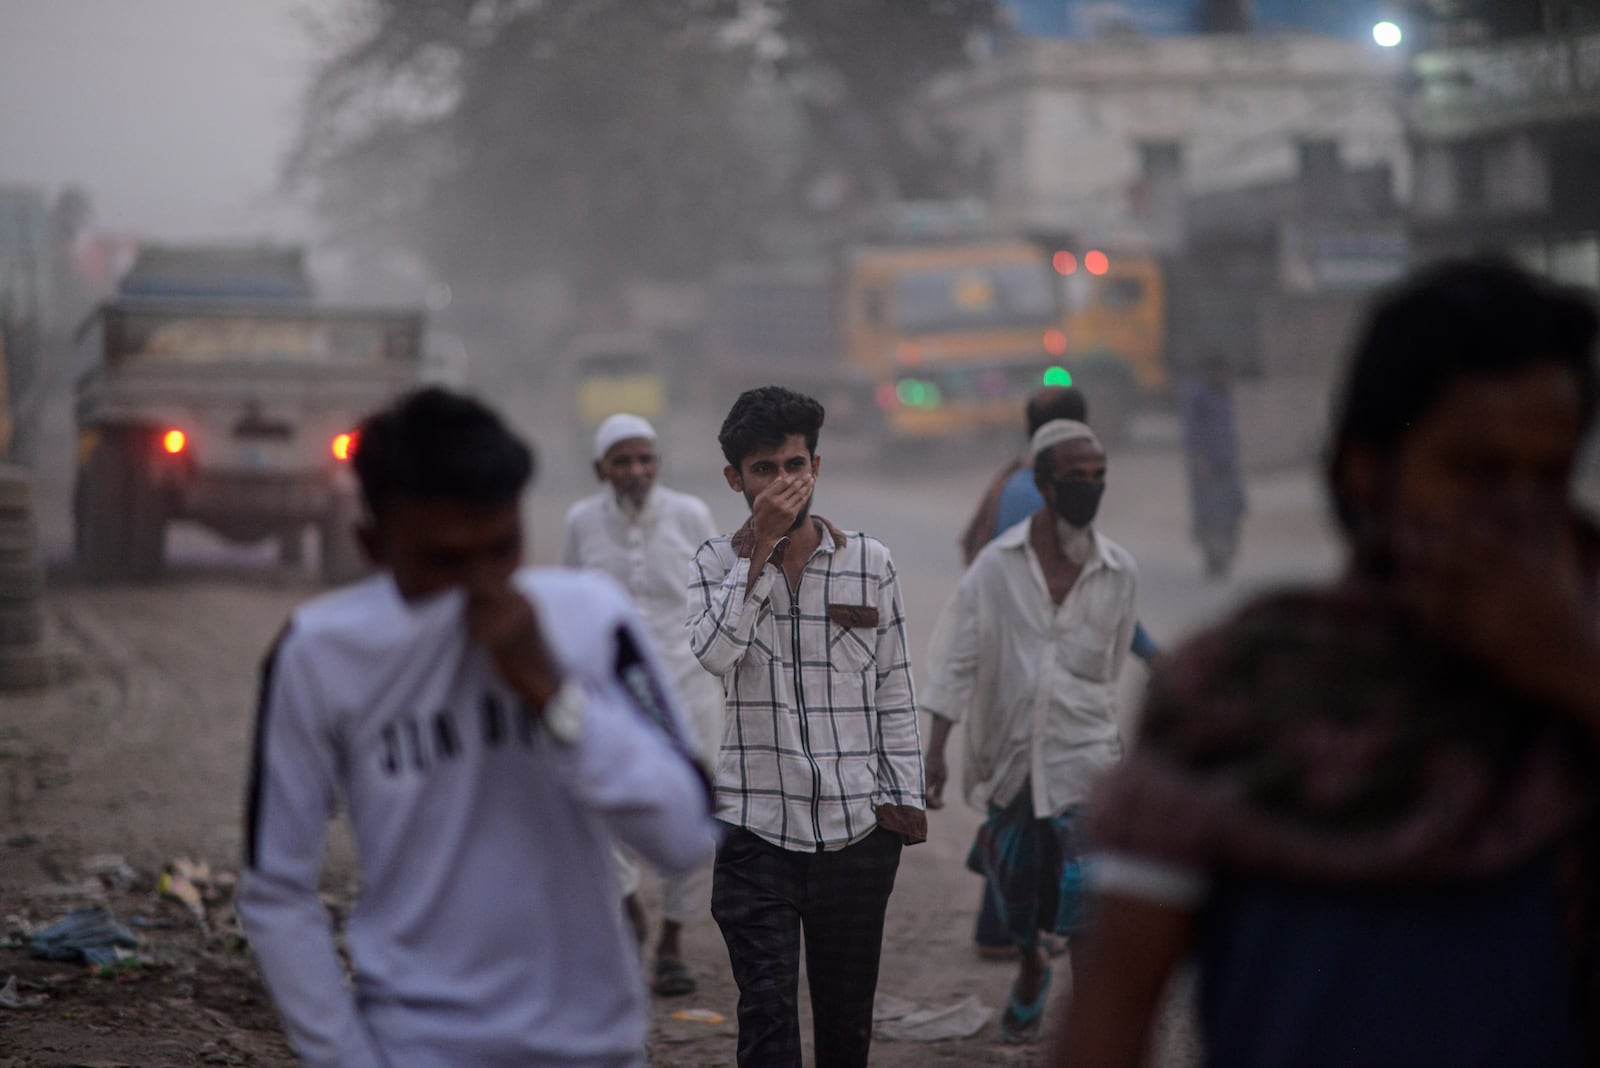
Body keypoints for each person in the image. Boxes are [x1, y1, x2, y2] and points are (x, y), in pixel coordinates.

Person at [1055, 260, 1600, 1068]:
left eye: (1548, 478)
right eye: (1477, 472)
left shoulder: (1579, 689)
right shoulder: (1237, 697)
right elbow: (1107, 1026)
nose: (1517, 515)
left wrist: (1574, 676)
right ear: (1366, 471)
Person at [237, 388, 716, 1068]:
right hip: (418, 1046)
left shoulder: (588, 619)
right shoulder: (321, 654)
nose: (483, 585)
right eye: (443, 561)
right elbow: (276, 890)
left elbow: (685, 833)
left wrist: (556, 700)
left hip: (591, 1047)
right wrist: (346, 1055)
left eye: (503, 549)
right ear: (373, 544)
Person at [687, 385, 926, 1068]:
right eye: (764, 470)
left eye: (794, 466)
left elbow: (894, 692)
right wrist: (758, 553)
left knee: (846, 1029)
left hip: (857, 834)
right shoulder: (713, 564)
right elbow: (714, 655)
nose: (784, 483)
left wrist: (898, 810)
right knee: (766, 1025)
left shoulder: (869, 563)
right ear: (736, 479)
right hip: (755, 830)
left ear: (815, 467)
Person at [923, 417, 1140, 1044]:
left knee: (1083, 890)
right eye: (1077, 477)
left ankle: (1090, 1024)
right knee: (1019, 890)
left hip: (1086, 756)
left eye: (1099, 477)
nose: (1090, 488)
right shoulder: (995, 567)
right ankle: (1029, 962)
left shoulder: (1119, 572)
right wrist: (936, 750)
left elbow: (1113, 661)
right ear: (1044, 484)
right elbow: (958, 659)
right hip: (1013, 756)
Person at [958, 386, 1158, 962]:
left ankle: (999, 927)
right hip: (1035, 671)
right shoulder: (1037, 496)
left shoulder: (1012, 480)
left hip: (1018, 667)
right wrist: (1147, 651)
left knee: (1025, 804)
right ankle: (1022, 926)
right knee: (1037, 806)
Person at [561, 412, 721, 997]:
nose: (636, 472)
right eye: (623, 461)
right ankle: (629, 911)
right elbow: (572, 602)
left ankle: (675, 942)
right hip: (611, 696)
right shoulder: (582, 522)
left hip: (688, 688)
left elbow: (718, 596)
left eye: (645, 459)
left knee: (697, 812)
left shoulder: (691, 514)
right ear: (600, 469)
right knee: (607, 809)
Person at [1180, 352, 1246, 577]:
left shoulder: (1225, 394)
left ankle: (1225, 555)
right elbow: (1191, 430)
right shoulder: (1197, 396)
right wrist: (1199, 459)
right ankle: (1212, 559)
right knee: (1208, 513)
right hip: (1206, 465)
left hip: (1226, 463)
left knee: (1233, 508)